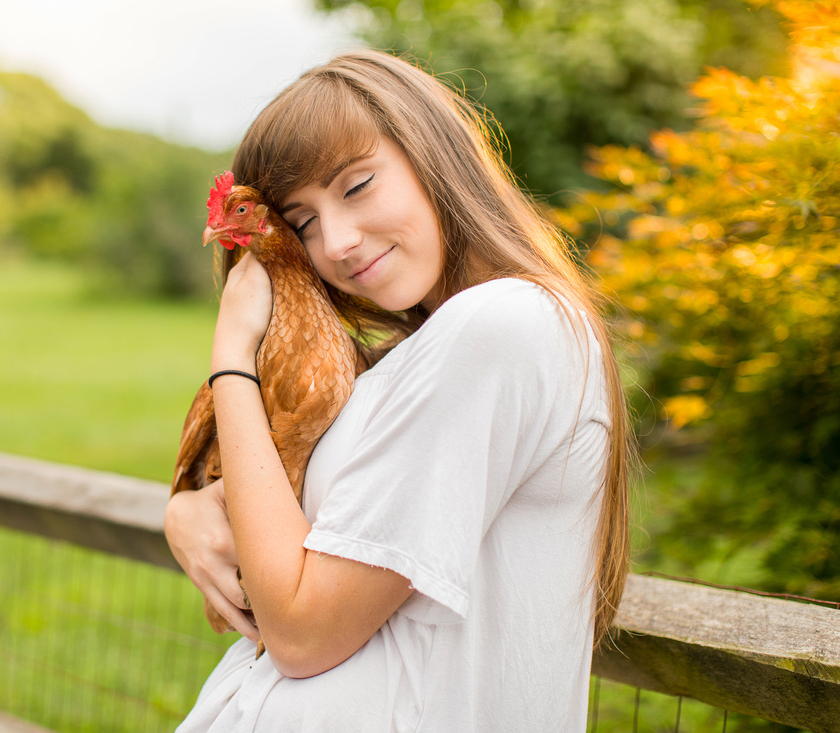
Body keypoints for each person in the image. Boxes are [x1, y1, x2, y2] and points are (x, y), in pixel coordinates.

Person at [164, 49, 632, 731]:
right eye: (304, 222)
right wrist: (188, 508)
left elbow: (299, 630)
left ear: (431, 153)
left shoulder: (501, 326)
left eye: (356, 187)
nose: (340, 242)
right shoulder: (411, 358)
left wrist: (233, 357)